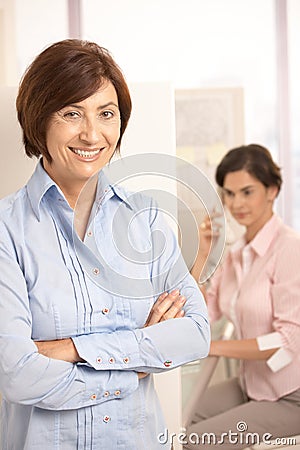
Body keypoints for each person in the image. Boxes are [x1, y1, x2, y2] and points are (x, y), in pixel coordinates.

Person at [0, 39, 210, 450]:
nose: (92, 134)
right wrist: (135, 365)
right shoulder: (6, 230)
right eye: (71, 113)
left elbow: (196, 334)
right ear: (39, 119)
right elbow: (16, 375)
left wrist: (70, 349)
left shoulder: (147, 220)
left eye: (106, 114)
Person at [185, 144, 300, 449]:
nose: (237, 204)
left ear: (272, 190)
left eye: (247, 192)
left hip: (291, 395)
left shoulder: (289, 249)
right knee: (174, 415)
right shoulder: (237, 254)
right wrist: (202, 256)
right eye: (230, 193)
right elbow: (202, 315)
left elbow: (286, 340)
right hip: (251, 384)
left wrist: (214, 347)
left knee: (196, 441)